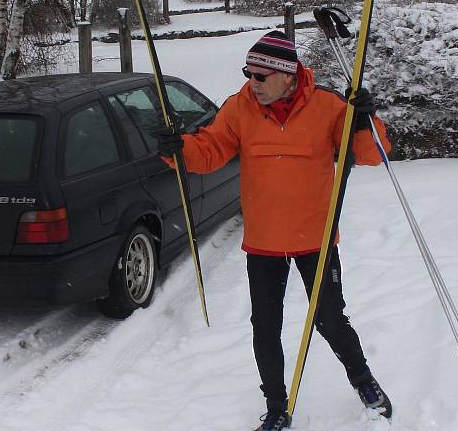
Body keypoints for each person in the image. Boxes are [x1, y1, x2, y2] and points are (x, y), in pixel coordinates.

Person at [157, 30, 393, 431]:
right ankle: (276, 404)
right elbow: (210, 151)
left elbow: (372, 155)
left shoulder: (328, 106)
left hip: (315, 238)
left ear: (288, 74)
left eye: (261, 76)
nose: (253, 83)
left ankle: (364, 381)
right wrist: (176, 149)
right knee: (265, 326)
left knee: (330, 319)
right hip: (264, 242)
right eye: (248, 74)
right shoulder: (239, 109)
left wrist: (364, 120)